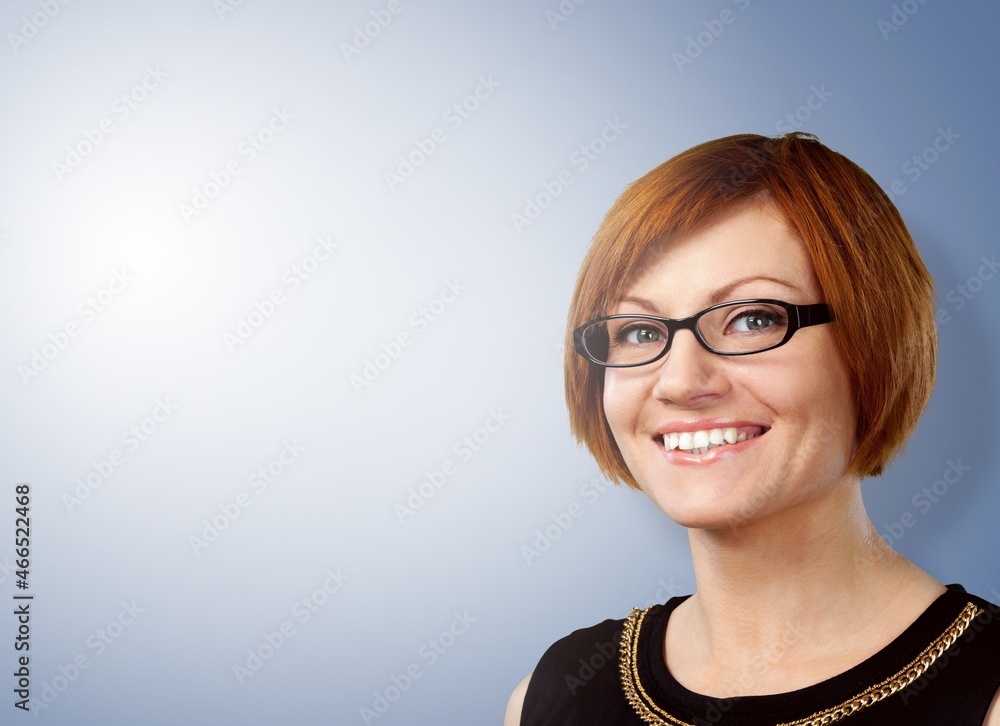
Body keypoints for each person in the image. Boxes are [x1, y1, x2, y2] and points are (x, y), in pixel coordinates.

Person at [504, 132, 1000, 725]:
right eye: (638, 332)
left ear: (874, 344)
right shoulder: (554, 695)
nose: (681, 382)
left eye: (753, 319)